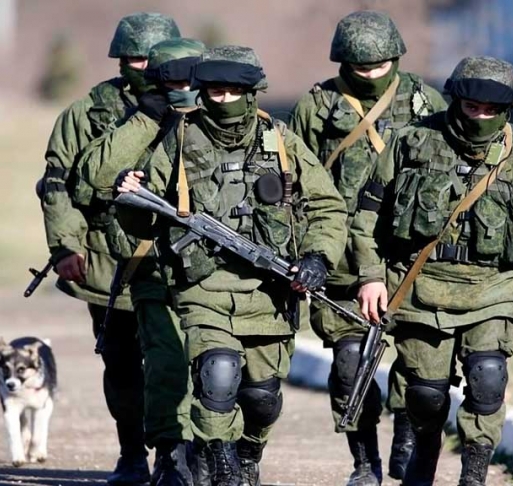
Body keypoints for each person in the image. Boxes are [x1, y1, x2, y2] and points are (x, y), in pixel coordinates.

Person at [115, 45, 348, 486]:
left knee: (262, 397)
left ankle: (247, 452)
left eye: (232, 91)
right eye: (214, 91)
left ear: (252, 92)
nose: (223, 100)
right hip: (204, 285)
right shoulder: (180, 138)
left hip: (269, 289)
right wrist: (129, 195)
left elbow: (327, 206)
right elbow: (142, 219)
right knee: (217, 375)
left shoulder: (279, 140)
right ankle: (221, 463)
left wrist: (317, 257)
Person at [354, 56, 513, 485]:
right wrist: (371, 276)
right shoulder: (411, 143)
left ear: (508, 109)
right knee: (425, 395)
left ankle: (474, 474)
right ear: (456, 101)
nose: (480, 116)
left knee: (488, 380)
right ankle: (423, 457)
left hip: (494, 290)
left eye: (491, 110)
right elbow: (368, 216)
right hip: (421, 290)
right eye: (472, 107)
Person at [288, 10, 448, 484]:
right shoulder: (316, 106)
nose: (372, 74)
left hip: (409, 256)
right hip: (341, 259)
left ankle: (406, 429)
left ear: (396, 57)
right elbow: (293, 181)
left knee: (420, 368)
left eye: (381, 65)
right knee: (349, 366)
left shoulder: (425, 100)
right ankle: (364, 462)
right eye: (361, 67)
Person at [37, 12, 180, 486]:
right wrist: (65, 247)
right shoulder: (86, 113)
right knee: (121, 363)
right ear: (120, 60)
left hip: (176, 258)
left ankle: (173, 455)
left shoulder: (195, 105)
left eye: (153, 58)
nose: (145, 67)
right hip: (107, 258)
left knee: (173, 360)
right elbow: (57, 185)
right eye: (135, 58)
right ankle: (131, 453)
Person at [74, 37, 205, 486]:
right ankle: (169, 455)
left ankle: (225, 454)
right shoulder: (140, 122)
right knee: (163, 363)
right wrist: (149, 117)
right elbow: (92, 174)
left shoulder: (228, 118)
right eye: (171, 83)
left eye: (189, 81)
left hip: (221, 272)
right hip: (151, 265)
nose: (182, 91)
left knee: (219, 368)